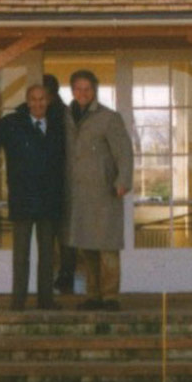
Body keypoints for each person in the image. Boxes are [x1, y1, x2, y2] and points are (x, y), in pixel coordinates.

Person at [0, 83, 66, 311]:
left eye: (42, 99)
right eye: (33, 99)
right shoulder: (13, 123)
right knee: (21, 255)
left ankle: (46, 301)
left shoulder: (59, 125)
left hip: (50, 199)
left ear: (48, 101)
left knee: (48, 255)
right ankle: (18, 303)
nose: (38, 103)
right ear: (27, 102)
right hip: (23, 198)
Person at [63, 69, 133, 311]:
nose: (82, 93)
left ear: (94, 91)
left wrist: (123, 180)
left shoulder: (109, 118)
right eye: (78, 89)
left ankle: (110, 296)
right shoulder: (66, 118)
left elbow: (124, 152)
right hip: (79, 194)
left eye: (87, 89)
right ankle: (93, 296)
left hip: (105, 193)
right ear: (72, 91)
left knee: (107, 247)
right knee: (87, 247)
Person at [41, 73, 78, 295]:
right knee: (62, 234)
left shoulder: (61, 116)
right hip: (59, 181)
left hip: (60, 181)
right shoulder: (65, 113)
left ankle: (63, 276)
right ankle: (64, 275)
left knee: (59, 233)